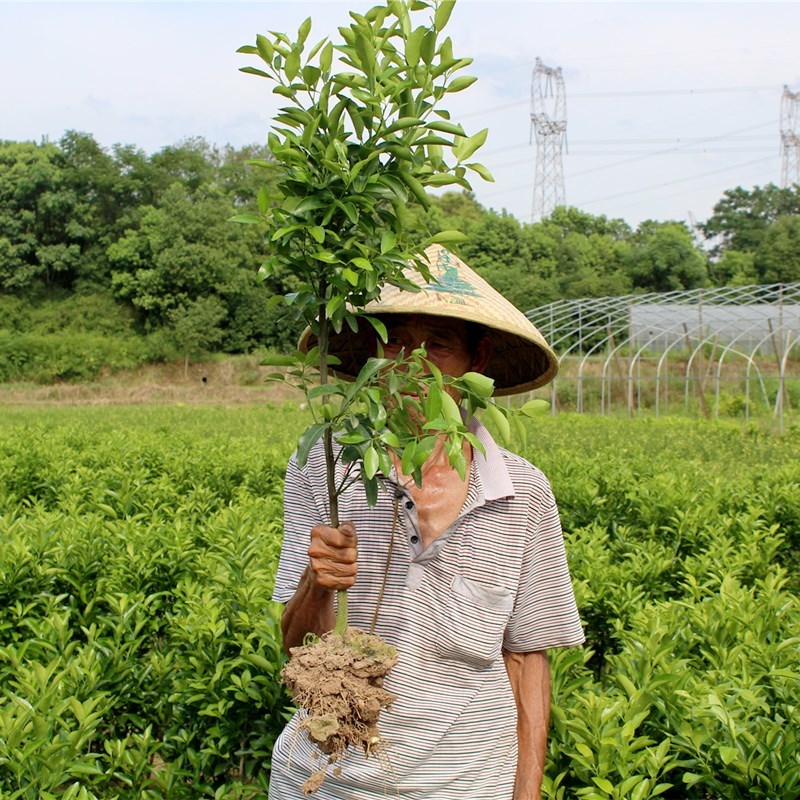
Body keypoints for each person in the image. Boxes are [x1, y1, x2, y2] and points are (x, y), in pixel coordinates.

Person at [269, 245, 584, 800]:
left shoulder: (522, 492)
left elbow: (528, 660)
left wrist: (527, 792)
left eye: (436, 345)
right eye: (395, 342)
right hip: (325, 781)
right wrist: (317, 580)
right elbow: (296, 646)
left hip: (465, 783)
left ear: (477, 358)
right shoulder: (325, 467)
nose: (410, 365)